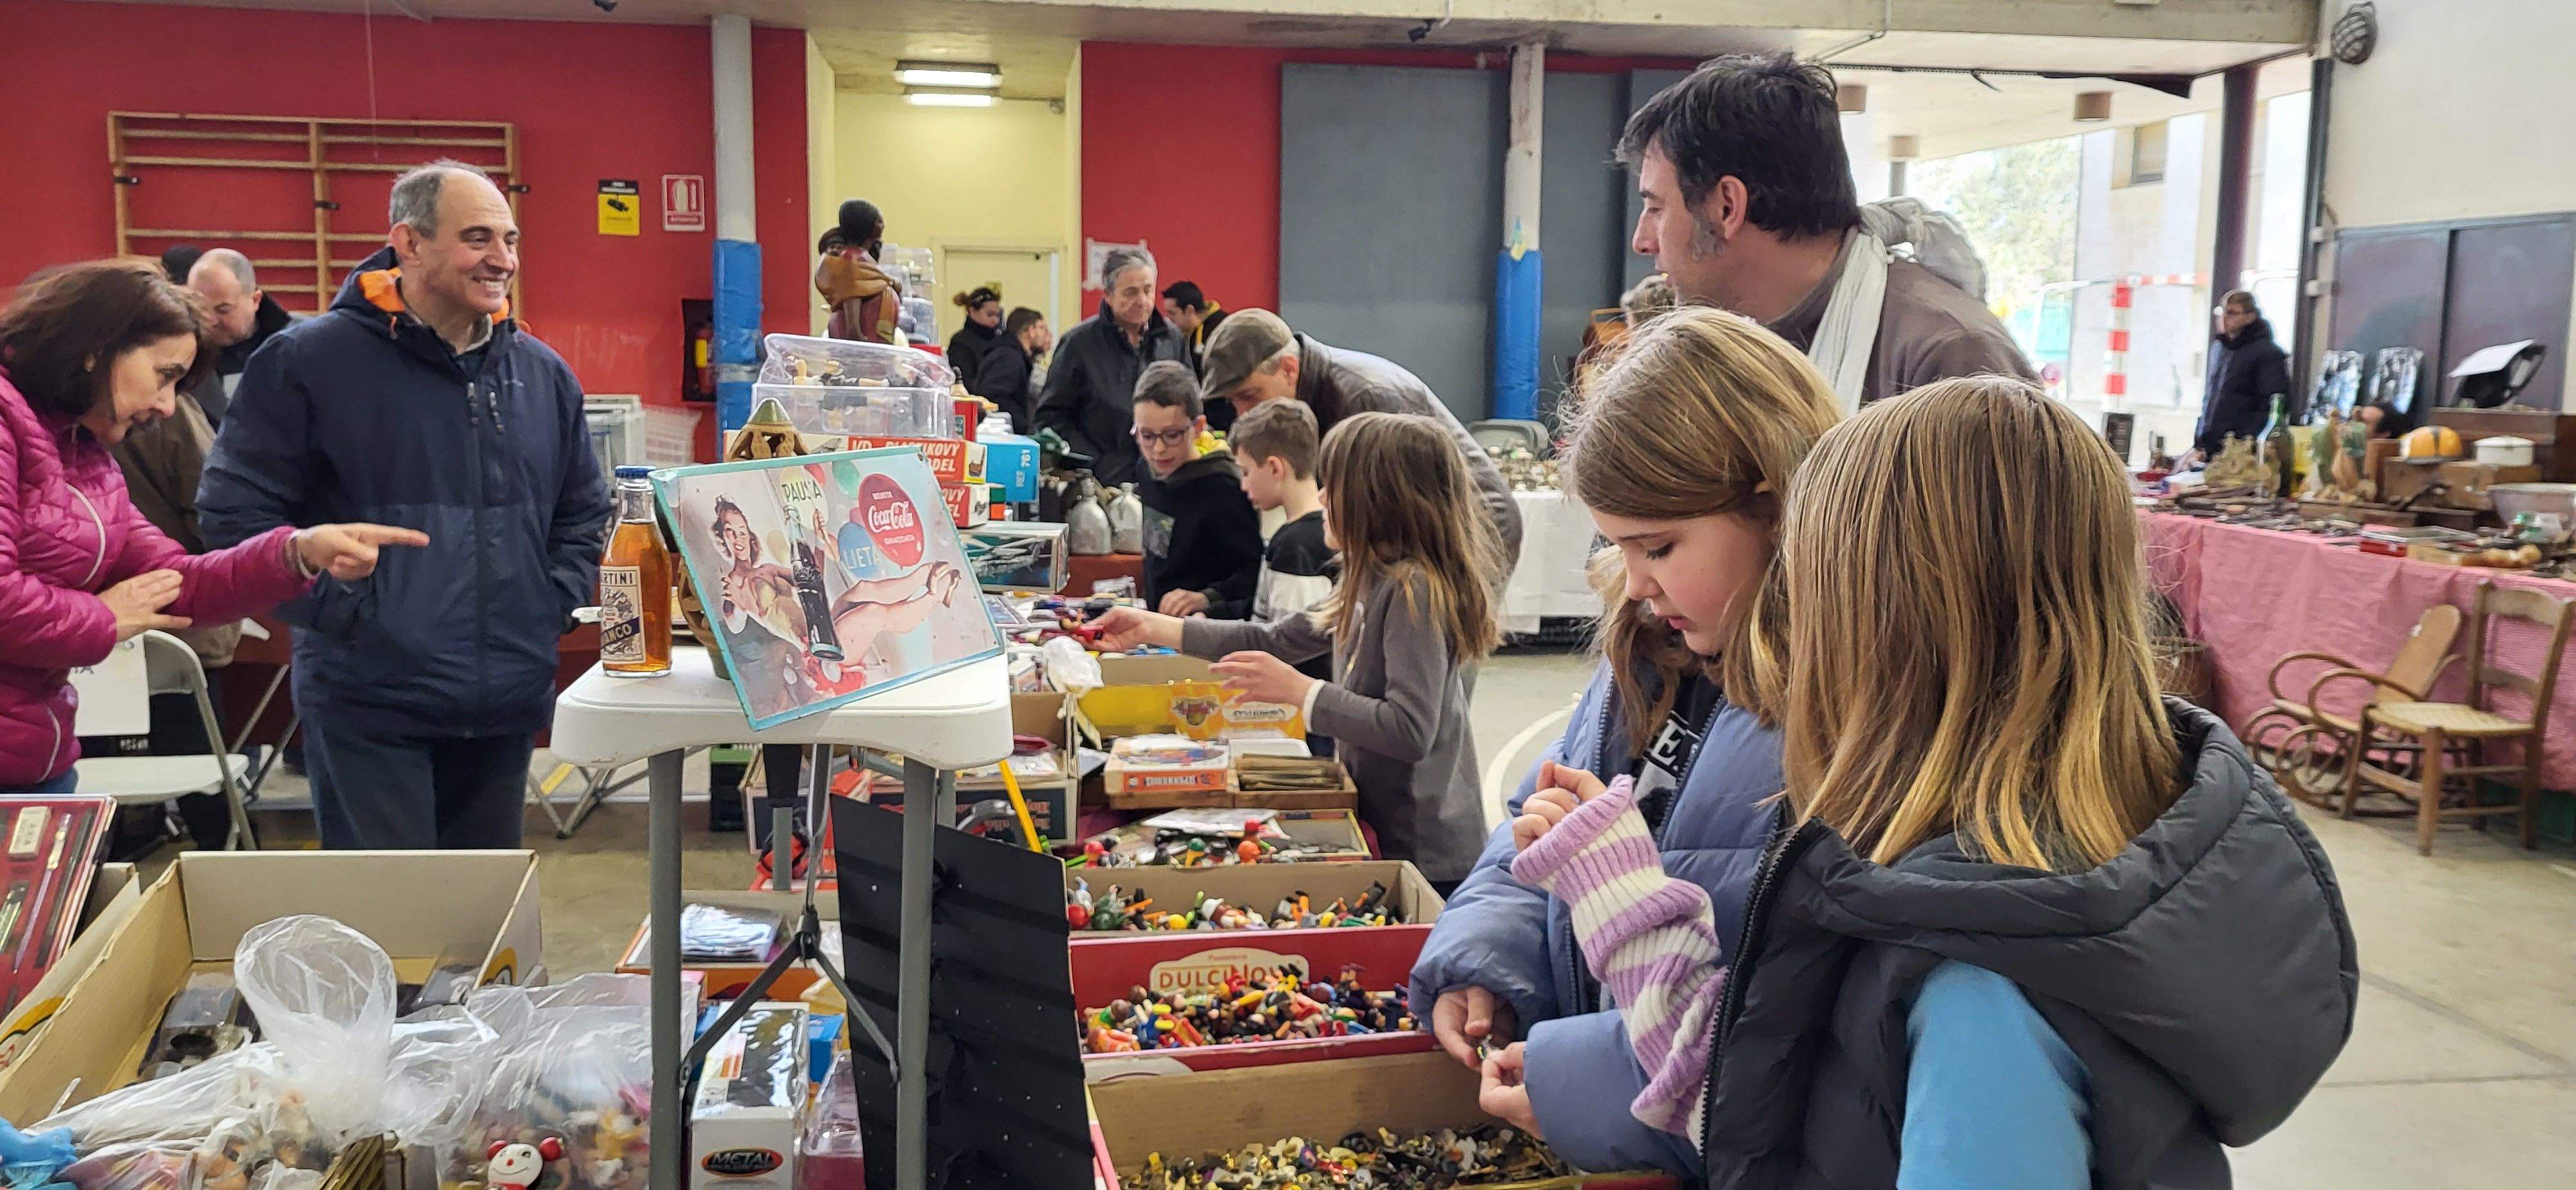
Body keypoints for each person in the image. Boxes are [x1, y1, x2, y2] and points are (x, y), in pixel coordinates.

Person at [1485, 377, 2355, 1186]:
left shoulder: (1980, 997)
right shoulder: (1979, 892)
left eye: (1814, 605)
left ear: (1897, 641)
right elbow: (1783, 1104)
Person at [1406, 308, 1840, 1176]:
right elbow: (1546, 818)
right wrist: (1488, 957)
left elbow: (1789, 1041)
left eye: (1661, 545)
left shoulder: (1834, 712)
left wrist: (1581, 1082)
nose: (1637, 583)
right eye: (1618, 546)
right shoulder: (1650, 650)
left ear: (1775, 503)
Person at [200, 159, 612, 850]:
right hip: (371, 703)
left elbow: (581, 513)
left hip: (504, 702)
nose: (502, 260)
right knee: (389, 930)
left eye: (510, 241)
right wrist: (348, 612)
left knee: (480, 931)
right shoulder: (306, 363)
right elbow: (233, 519)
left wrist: (546, 604)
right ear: (409, 242)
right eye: (478, 238)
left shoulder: (541, 375)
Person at [0, 260, 421, 796]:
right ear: (95, 350)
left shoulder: (84, 452)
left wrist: (295, 553)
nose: (166, 405)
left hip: (37, 757)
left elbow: (177, 583)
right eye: (164, 375)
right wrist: (102, 616)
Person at [1093, 411, 1502, 886]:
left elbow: (1410, 729)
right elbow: (1272, 639)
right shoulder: (1367, 576)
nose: (1323, 497)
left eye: (1337, 485)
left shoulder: (1413, 590)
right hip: (1384, 826)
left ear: (1381, 499)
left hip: (1428, 854)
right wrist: (1151, 628)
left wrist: (1302, 692)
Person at [1620, 53, 2032, 408]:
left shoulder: (1949, 355)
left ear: (1728, 206)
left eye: (1656, 207)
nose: (1642, 241)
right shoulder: (1746, 343)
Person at [1199, 308, 1522, 569]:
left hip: (1473, 529)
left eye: (1250, 395)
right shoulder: (1318, 396)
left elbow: (1399, 513)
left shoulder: (1364, 398)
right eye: (1234, 401)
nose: (1243, 412)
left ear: (1289, 369)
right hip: (1424, 530)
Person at [1211, 397, 1338, 753]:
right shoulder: (1306, 537)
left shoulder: (1295, 545)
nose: (1243, 485)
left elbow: (1292, 648)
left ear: (1275, 468)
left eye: (1247, 472)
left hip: (1305, 728)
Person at [1036, 246, 1189, 486]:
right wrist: (1095, 463)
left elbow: (1190, 404)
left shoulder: (1172, 339)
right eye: (1130, 293)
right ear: (1108, 295)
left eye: (1148, 291)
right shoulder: (1078, 344)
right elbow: (1050, 418)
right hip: (1100, 484)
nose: (1142, 301)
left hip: (1167, 478)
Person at [1130, 361, 1260, 618]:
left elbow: (1254, 572)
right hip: (1158, 622)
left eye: (1172, 435)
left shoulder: (1222, 487)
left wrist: (1207, 597)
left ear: (1198, 428)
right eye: (1147, 436)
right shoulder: (1146, 469)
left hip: (1205, 630)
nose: (1158, 450)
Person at [183, 249, 296, 426]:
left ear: (255, 300)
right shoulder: (178, 357)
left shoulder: (303, 345)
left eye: (223, 309)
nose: (211, 321)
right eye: (200, 310)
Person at [2192, 288, 2291, 462]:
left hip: (2241, 451)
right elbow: (2211, 399)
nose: (2224, 317)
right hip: (2211, 449)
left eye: (2231, 313)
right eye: (2221, 311)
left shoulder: (2268, 354)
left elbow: (2272, 405)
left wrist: (2244, 442)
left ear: (2250, 316)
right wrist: (2201, 440)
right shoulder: (2219, 349)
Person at [816, 201, 899, 344]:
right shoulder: (851, 258)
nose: (883, 226)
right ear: (868, 226)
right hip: (863, 339)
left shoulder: (863, 256)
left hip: (876, 338)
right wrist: (854, 331)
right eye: (879, 222)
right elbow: (852, 293)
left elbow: (872, 279)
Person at [1160, 281, 1232, 426]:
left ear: (1190, 310)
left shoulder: (1224, 329)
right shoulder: (1187, 336)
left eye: (1172, 314)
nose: (1168, 320)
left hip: (1225, 415)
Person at [971, 307, 1049, 433]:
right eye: (1042, 328)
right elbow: (997, 397)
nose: (1047, 334)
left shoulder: (1010, 356)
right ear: (1031, 331)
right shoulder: (1009, 358)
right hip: (1001, 435)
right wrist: (1025, 429)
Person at [945, 285, 1003, 393]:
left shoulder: (999, 341)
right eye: (990, 314)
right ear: (972, 311)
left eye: (998, 315)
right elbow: (964, 383)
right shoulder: (961, 343)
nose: (995, 320)